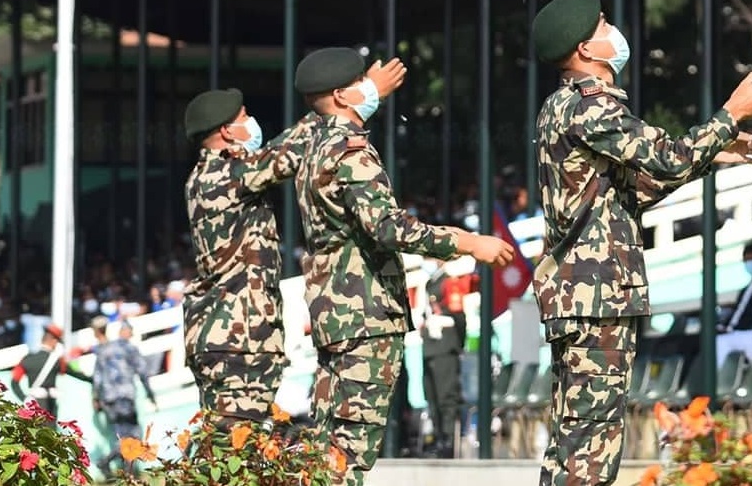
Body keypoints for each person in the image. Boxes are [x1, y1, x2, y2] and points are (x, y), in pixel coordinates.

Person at [529, 0, 752, 486]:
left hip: (581, 295)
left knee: (573, 440)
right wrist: (730, 115)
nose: (613, 32)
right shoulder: (591, 107)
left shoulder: (561, 106)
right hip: (596, 296)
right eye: (603, 25)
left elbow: (632, 190)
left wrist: (710, 153)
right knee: (591, 447)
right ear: (585, 49)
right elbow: (663, 159)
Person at [291, 47, 513, 485]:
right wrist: (468, 242)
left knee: (326, 450)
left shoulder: (315, 146)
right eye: (360, 82)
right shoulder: (350, 150)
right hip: (365, 317)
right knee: (349, 454)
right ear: (341, 95)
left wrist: (367, 88)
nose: (370, 87)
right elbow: (389, 228)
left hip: (337, 316)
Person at [180, 81, 351, 425]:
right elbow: (286, 154)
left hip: (234, 339)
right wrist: (341, 105)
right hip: (237, 341)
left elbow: (275, 152)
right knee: (235, 446)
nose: (252, 122)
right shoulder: (221, 176)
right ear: (227, 131)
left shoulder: (218, 173)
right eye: (244, 116)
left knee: (235, 443)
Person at [92, 319, 157, 473]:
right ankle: (109, 463)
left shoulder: (105, 349)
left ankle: (124, 470)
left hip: (108, 399)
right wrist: (151, 394)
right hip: (124, 397)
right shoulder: (129, 349)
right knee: (133, 436)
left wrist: (96, 398)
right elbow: (143, 372)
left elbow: (97, 376)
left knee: (121, 435)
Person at [416, 272, 465, 458]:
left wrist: (457, 344)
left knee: (446, 396)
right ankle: (438, 437)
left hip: (445, 346)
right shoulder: (430, 281)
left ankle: (448, 440)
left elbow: (458, 317)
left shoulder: (450, 281)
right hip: (430, 347)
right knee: (432, 395)